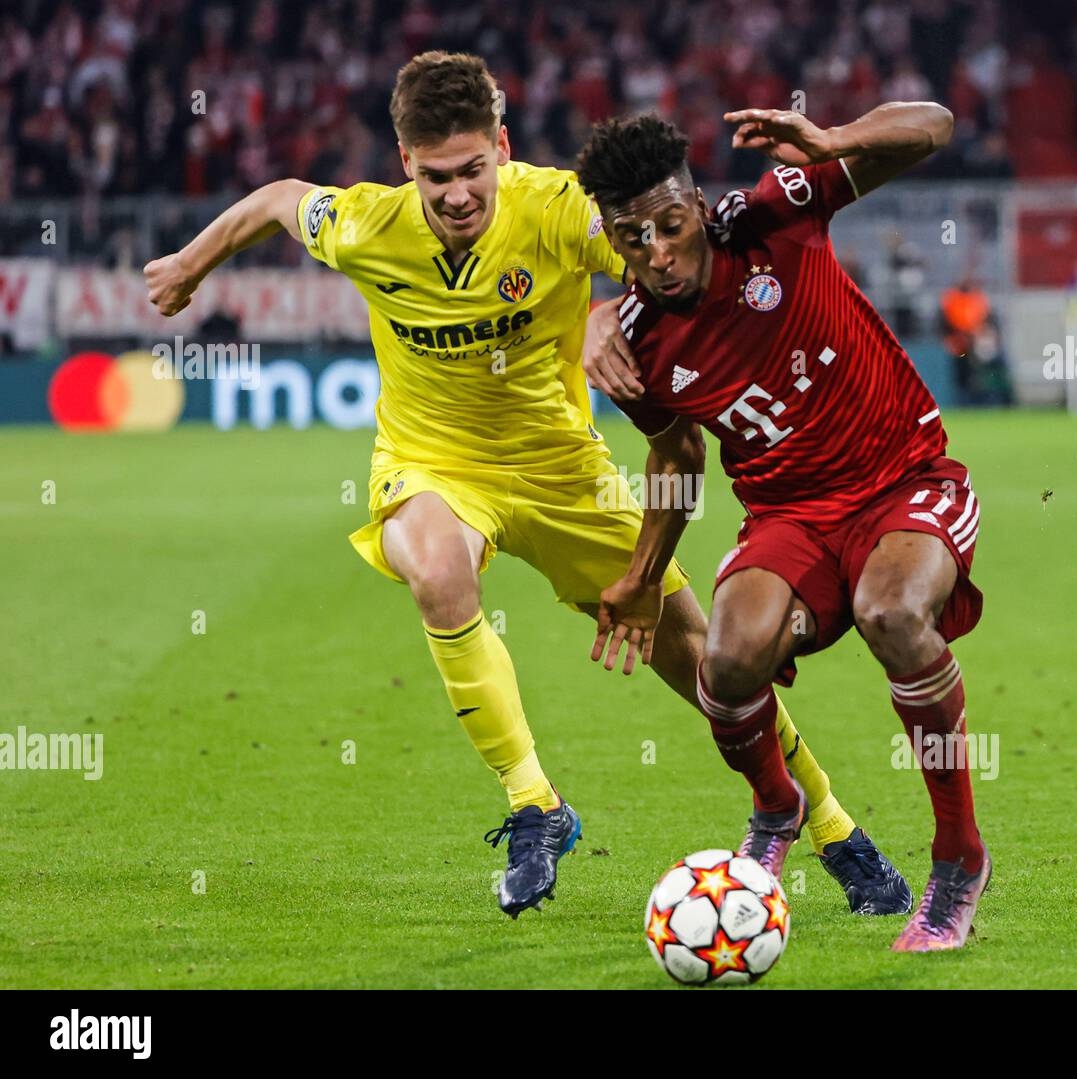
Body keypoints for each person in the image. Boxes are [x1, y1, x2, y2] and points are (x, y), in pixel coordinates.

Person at [144, 52, 880, 919]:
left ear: (501, 146)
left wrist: (613, 307)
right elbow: (276, 199)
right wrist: (191, 263)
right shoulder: (365, 225)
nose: (457, 195)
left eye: (472, 171)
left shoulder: (558, 207)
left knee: (706, 658)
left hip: (564, 470)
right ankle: (535, 802)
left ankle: (832, 826)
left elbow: (660, 253)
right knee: (435, 567)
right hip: (435, 464)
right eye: (435, 177)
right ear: (404, 164)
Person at [578, 104, 991, 952]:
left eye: (669, 222)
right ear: (612, 242)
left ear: (696, 204)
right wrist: (642, 576)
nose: (656, 251)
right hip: (788, 516)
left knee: (891, 612)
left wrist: (838, 143)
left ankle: (958, 857)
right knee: (726, 661)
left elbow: (937, 126)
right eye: (631, 236)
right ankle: (778, 802)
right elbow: (676, 456)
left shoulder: (779, 214)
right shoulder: (633, 346)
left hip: (903, 483)